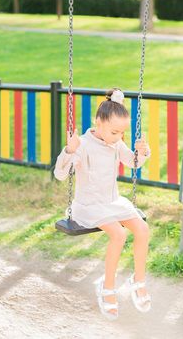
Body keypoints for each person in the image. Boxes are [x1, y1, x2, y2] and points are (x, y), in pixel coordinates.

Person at [54, 88, 152, 320]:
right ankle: (107, 288)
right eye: (115, 131)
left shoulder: (115, 143)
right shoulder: (83, 144)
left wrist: (142, 152)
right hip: (89, 206)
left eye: (122, 133)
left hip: (112, 202)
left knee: (142, 229)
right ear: (98, 122)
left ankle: (138, 281)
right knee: (118, 234)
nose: (119, 137)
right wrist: (69, 150)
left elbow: (132, 162)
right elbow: (60, 174)